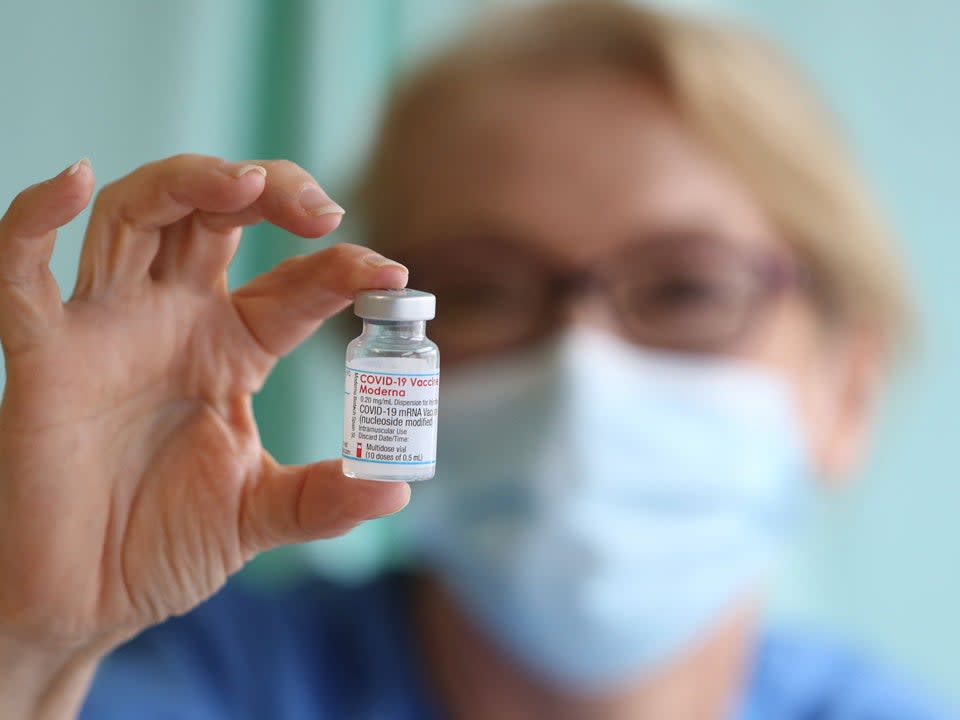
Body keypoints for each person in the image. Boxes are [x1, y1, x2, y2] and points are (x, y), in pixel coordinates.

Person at [0, 2, 950, 719]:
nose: (581, 373)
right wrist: (31, 650)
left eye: (687, 289)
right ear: (365, 357)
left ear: (848, 390)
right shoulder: (189, 672)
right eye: (486, 291)